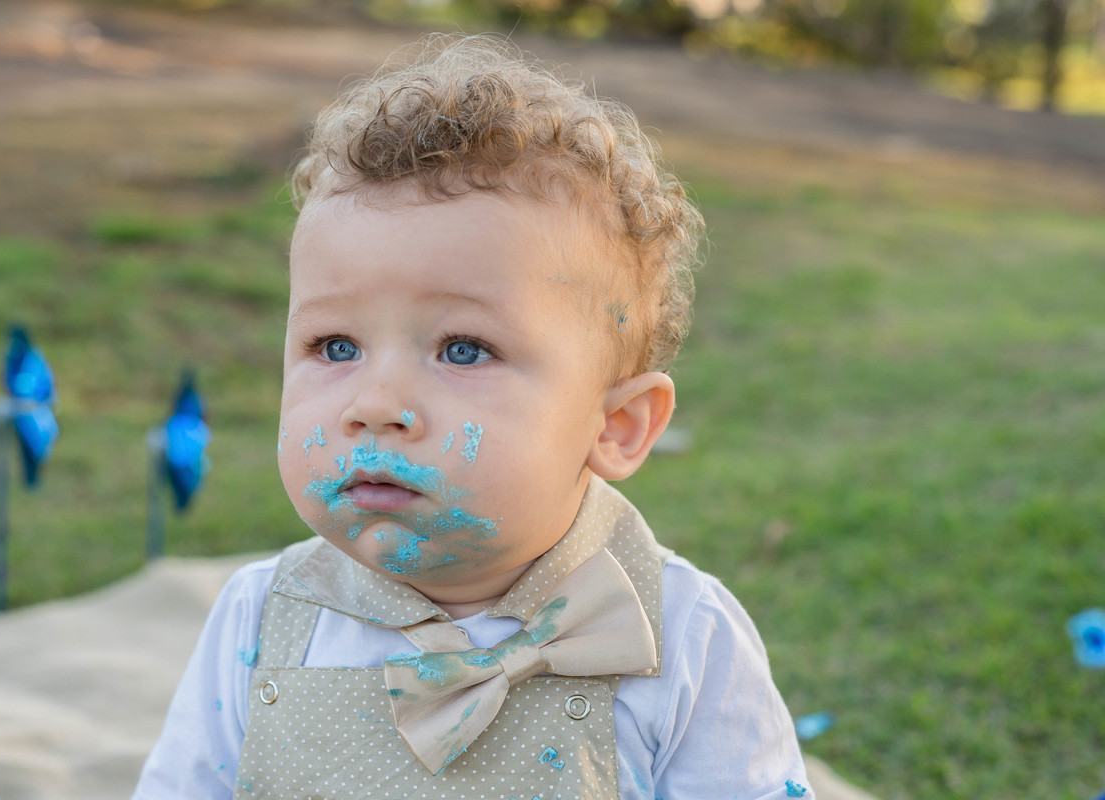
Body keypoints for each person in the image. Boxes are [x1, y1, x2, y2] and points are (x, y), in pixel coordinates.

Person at [133, 33, 810, 800]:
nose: (374, 405)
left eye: (462, 350)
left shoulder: (679, 636)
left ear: (616, 426)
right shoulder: (262, 621)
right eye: (335, 345)